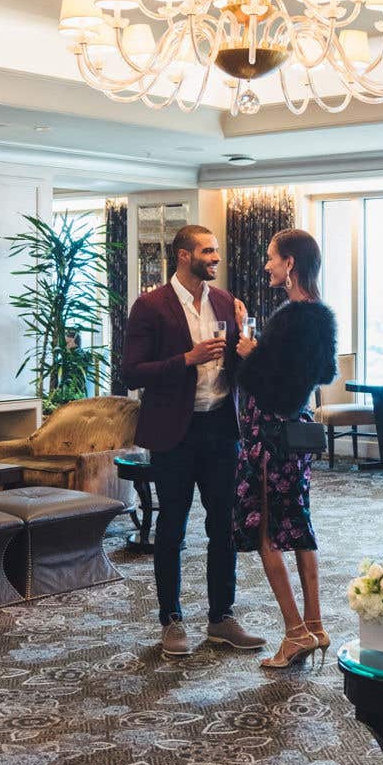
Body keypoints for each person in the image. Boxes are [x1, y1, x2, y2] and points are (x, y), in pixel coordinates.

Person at [122, 224, 266, 657]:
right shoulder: (150, 306)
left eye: (217, 251)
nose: (216, 258)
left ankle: (222, 618)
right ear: (184, 256)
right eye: (208, 251)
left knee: (224, 526)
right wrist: (187, 359)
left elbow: (238, 369)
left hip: (222, 430)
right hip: (174, 433)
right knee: (172, 529)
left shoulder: (224, 302)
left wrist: (247, 352)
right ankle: (171, 620)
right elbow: (131, 373)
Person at [233, 228, 337, 668]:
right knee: (299, 527)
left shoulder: (290, 318)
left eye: (273, 258)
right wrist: (260, 350)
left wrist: (248, 352)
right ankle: (315, 625)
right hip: (293, 439)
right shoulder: (321, 316)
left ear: (290, 263)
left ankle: (295, 632)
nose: (268, 265)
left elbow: (272, 388)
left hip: (269, 440)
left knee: (266, 533)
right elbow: (325, 373)